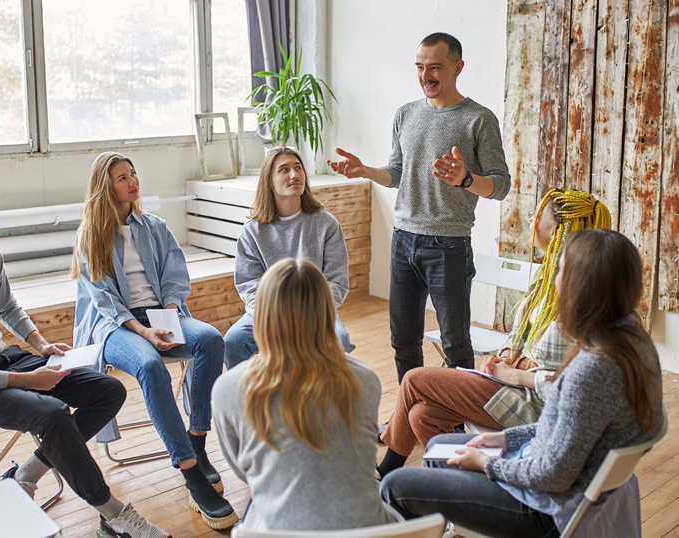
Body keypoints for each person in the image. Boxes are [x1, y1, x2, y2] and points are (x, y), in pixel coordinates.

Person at [0, 176, 170, 538]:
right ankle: (113, 514)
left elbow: (7, 306)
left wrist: (41, 346)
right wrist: (29, 380)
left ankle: (24, 475)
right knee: (52, 414)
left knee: (108, 391)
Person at [380, 229, 664, 538]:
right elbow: (569, 428)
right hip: (556, 481)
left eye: (561, 271)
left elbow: (552, 475)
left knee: (396, 487)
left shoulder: (593, 369)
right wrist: (507, 440)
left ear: (579, 288)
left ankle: (400, 483)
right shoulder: (631, 340)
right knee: (436, 447)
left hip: (545, 510)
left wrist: (486, 465)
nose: (555, 279)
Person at [377, 189, 611, 478]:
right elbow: (521, 334)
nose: (530, 218)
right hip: (511, 384)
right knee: (422, 415)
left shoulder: (587, 302)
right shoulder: (549, 277)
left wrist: (520, 375)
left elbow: (579, 389)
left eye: (537, 214)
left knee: (414, 379)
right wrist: (505, 355)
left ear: (556, 231)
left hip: (534, 404)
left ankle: (386, 473)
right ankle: (457, 489)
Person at [327, 32, 511, 379]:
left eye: (436, 67)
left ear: (458, 67)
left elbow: (501, 186)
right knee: (403, 340)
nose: (426, 75)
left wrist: (466, 179)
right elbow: (397, 173)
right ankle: (409, 419)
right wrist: (365, 170)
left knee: (455, 343)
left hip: (449, 245)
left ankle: (455, 427)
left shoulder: (478, 119)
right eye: (420, 67)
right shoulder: (406, 114)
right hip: (403, 240)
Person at [70, 152, 238, 530]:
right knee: (148, 365)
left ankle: (197, 438)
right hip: (115, 327)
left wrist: (169, 314)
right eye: (121, 178)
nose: (132, 182)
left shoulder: (156, 226)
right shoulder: (90, 236)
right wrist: (145, 331)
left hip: (163, 314)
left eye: (132, 174)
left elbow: (176, 278)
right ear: (104, 187)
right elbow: (105, 302)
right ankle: (191, 473)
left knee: (211, 339)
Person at [213, 258, 401, 531]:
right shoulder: (365, 379)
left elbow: (246, 472)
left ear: (262, 315)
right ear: (327, 312)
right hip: (365, 528)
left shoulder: (228, 388)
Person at [223, 146, 354, 369]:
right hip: (269, 314)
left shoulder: (327, 224)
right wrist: (275, 317)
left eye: (298, 168)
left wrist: (310, 314)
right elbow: (248, 284)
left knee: (338, 340)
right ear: (269, 181)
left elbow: (337, 282)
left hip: (316, 312)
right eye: (284, 170)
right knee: (234, 341)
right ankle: (250, 403)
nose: (294, 175)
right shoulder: (252, 231)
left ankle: (323, 403)